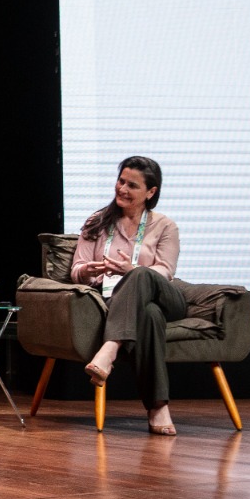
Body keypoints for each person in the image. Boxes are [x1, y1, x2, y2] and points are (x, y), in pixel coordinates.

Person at [71, 156, 186, 435]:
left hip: (165, 298)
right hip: (120, 302)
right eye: (120, 181)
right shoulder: (97, 222)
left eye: (131, 185)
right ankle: (158, 407)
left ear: (151, 192)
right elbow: (76, 270)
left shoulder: (164, 226)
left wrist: (131, 270)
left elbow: (165, 271)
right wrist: (90, 270)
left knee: (143, 275)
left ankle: (109, 349)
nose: (122, 189)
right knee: (149, 315)